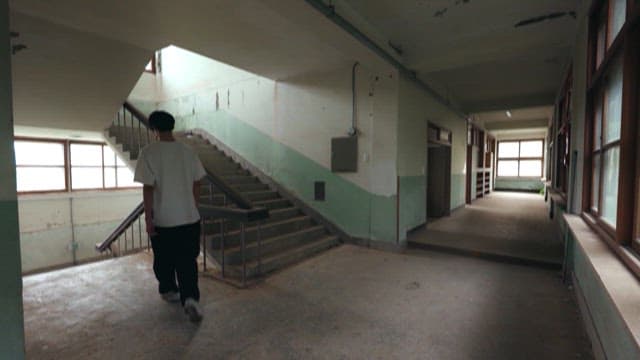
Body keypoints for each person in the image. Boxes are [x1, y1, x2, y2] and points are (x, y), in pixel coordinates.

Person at [134, 110, 206, 322]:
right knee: (187, 261)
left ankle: (168, 290)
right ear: (172, 126)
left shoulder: (149, 152)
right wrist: (192, 204)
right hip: (189, 218)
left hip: (164, 221)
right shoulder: (188, 151)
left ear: (154, 129)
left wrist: (148, 219)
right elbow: (198, 181)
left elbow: (148, 188)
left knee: (164, 260)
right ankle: (191, 298)